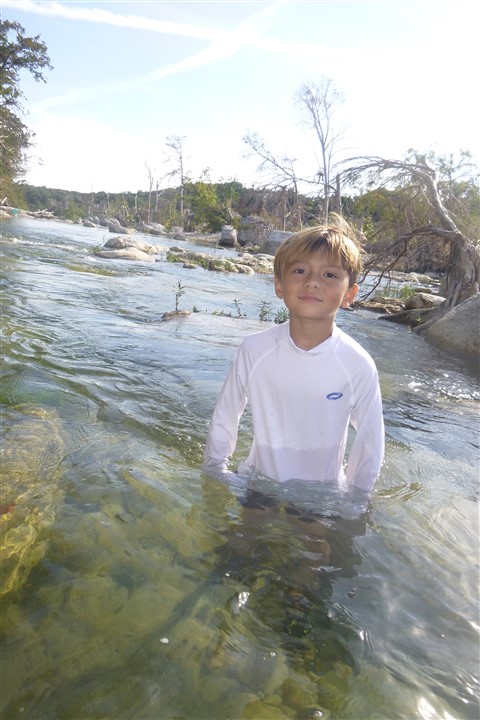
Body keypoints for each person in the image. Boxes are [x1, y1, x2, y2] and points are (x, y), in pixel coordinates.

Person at [202, 215, 384, 492]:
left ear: (350, 294)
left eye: (330, 275)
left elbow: (370, 442)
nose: (312, 282)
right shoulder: (255, 349)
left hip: (322, 495)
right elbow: (225, 416)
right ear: (279, 285)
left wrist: (357, 501)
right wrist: (214, 471)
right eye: (300, 271)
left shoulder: (357, 364)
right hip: (257, 484)